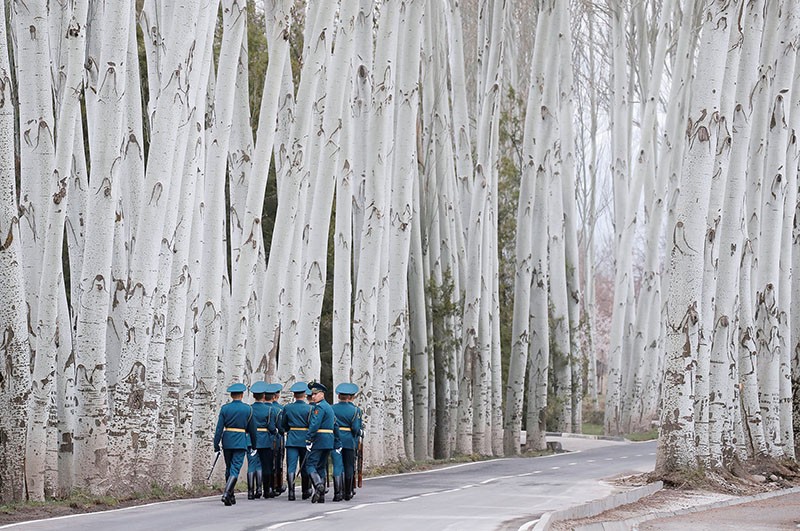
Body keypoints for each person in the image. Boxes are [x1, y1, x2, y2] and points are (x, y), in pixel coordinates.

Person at [213, 383, 256, 506]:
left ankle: (230, 495)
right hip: (240, 440)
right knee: (235, 468)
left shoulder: (225, 408)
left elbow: (219, 428)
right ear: (242, 395)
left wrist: (216, 444)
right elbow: (252, 429)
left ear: (231, 395)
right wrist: (254, 444)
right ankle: (227, 493)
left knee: (229, 467)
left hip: (227, 440)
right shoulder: (248, 409)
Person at [304, 381, 340, 503]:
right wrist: (337, 441)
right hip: (328, 440)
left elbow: (314, 424)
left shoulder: (319, 407)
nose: (313, 397)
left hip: (319, 439)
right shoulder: (329, 407)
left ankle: (319, 485)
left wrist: (309, 438)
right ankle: (321, 496)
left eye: (316, 394)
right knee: (321, 466)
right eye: (312, 394)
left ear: (322, 394)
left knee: (310, 464)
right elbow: (336, 425)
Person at [331, 382, 363, 501]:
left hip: (335, 440)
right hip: (349, 441)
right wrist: (359, 433)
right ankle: (348, 492)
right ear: (350, 397)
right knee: (349, 466)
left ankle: (337, 493)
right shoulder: (355, 410)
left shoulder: (331, 408)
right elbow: (355, 428)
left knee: (337, 466)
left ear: (339, 396)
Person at [282, 381, 312, 500]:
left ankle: (291, 492)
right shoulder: (309, 408)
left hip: (292, 439)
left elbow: (283, 424)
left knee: (291, 466)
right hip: (305, 439)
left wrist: (289, 429)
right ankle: (305, 491)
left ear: (294, 395)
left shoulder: (288, 408)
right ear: (304, 394)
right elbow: (311, 424)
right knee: (304, 465)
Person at [248, 381, 277, 500]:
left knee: (252, 465)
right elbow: (271, 427)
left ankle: (251, 491)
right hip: (265, 439)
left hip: (251, 439)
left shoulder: (249, 409)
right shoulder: (269, 410)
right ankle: (265, 490)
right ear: (264, 396)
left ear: (254, 396)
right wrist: (274, 432)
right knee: (266, 466)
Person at [265, 382, 285, 497]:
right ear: (276, 396)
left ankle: (260, 487)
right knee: (277, 463)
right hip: (276, 439)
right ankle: (276, 485)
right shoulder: (279, 409)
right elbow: (281, 427)